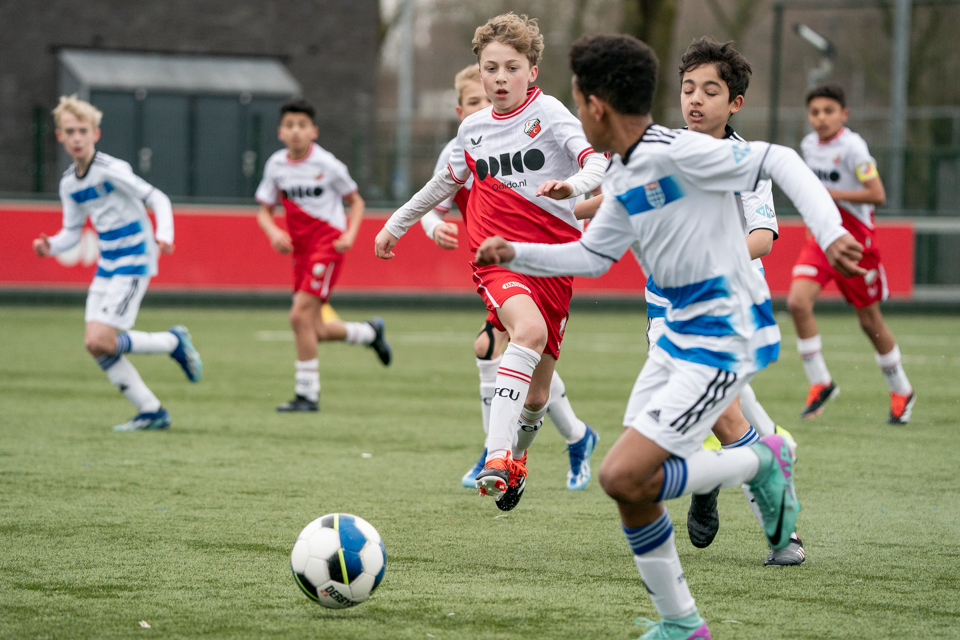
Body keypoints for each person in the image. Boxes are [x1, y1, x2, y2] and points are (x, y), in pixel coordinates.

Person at [475, 34, 864, 639]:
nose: (576, 117)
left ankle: (762, 458)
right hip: (676, 334)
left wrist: (830, 228)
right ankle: (682, 622)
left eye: (578, 104)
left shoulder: (681, 151)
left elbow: (780, 161)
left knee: (625, 475)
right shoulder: (629, 170)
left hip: (724, 333)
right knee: (630, 487)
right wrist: (515, 251)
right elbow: (595, 257)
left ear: (596, 105)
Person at [375, 13, 607, 511]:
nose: (500, 78)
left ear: (532, 71)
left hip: (553, 261)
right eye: (490, 68)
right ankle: (497, 457)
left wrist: (574, 185)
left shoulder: (551, 114)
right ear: (479, 72)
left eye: (511, 67)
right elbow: (444, 183)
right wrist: (398, 222)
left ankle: (516, 461)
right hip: (497, 257)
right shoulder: (473, 128)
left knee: (539, 396)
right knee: (522, 333)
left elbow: (597, 163)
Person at [420, 64, 599, 492]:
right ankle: (497, 450)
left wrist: (576, 198)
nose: (490, 103)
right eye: (477, 100)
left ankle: (568, 436)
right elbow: (433, 202)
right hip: (495, 261)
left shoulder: (534, 128)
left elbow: (583, 187)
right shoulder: (462, 147)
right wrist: (430, 227)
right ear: (462, 109)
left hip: (540, 261)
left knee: (530, 378)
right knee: (501, 343)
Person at [665, 37, 803, 565]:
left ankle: (767, 523)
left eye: (710, 90)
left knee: (723, 415)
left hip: (727, 306)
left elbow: (763, 236)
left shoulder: (749, 162)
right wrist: (571, 199)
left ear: (735, 102)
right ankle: (768, 517)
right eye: (687, 89)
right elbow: (610, 194)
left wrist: (709, 260)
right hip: (669, 310)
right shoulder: (662, 151)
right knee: (746, 425)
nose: (695, 99)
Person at [33, 95, 202, 432]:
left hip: (136, 259)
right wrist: (50, 246)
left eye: (83, 130)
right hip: (108, 263)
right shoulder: (69, 183)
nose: (77, 137)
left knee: (101, 341)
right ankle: (151, 410)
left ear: (96, 134)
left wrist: (164, 233)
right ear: (60, 137)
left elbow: (157, 197)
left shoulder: (111, 171)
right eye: (70, 131)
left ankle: (172, 342)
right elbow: (71, 231)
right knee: (94, 345)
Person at [788, 84, 915, 424]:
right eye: (814, 112)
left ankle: (901, 389)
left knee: (868, 320)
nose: (821, 118)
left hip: (856, 243)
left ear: (843, 115)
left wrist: (829, 194)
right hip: (821, 239)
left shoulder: (854, 148)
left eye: (828, 111)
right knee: (797, 303)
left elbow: (877, 194)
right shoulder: (808, 147)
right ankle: (820, 382)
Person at [256, 99, 391, 413]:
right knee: (313, 328)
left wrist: (349, 235)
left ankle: (307, 395)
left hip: (327, 246)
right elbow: (264, 210)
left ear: (313, 131)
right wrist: (274, 232)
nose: (296, 132)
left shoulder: (328, 165)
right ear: (280, 132)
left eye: (302, 126)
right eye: (289, 125)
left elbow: (356, 202)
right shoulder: (276, 165)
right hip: (300, 251)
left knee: (298, 316)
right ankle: (369, 332)